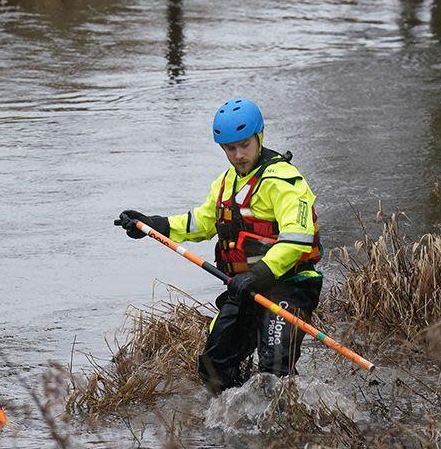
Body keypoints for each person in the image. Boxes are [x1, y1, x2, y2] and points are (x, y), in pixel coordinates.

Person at [115, 98, 323, 394]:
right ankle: (236, 419)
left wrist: (259, 273)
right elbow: (203, 221)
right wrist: (154, 224)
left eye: (244, 145)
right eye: (230, 148)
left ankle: (287, 422)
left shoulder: (285, 181)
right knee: (213, 368)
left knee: (275, 370)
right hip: (244, 287)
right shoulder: (225, 183)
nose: (238, 155)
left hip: (289, 284)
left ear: (259, 137)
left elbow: (298, 237)